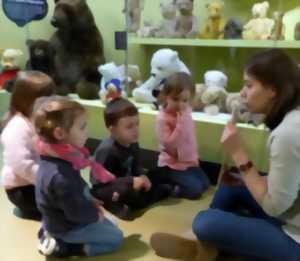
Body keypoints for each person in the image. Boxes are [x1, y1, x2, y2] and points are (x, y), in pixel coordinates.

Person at [150, 49, 300, 261]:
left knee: (204, 221)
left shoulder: (288, 133)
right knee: (231, 184)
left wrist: (238, 153)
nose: (242, 92)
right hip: (291, 211)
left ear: (272, 90)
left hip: (295, 239)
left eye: (249, 85)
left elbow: (274, 207)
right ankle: (209, 245)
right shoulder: (293, 117)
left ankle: (211, 245)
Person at [33, 96, 123, 257]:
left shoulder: (55, 155)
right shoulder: (60, 177)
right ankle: (65, 247)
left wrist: (89, 200)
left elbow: (76, 185)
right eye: (82, 127)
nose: (87, 131)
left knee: (113, 223)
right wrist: (94, 214)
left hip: (56, 216)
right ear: (60, 133)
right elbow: (76, 212)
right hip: (68, 226)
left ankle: (48, 231)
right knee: (116, 238)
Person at [91, 97, 172, 220]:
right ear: (113, 130)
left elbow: (137, 167)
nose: (136, 130)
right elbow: (99, 184)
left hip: (130, 183)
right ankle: (115, 205)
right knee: (131, 194)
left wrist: (141, 176)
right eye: (129, 126)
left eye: (137, 124)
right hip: (112, 188)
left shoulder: (133, 143)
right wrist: (130, 181)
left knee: (159, 172)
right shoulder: (107, 150)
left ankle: (148, 195)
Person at [1, 71, 54, 220]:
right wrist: (47, 181)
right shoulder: (17, 127)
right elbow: (21, 164)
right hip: (22, 189)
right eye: (47, 99)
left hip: (40, 180)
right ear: (27, 100)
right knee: (60, 206)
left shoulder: (37, 118)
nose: (52, 103)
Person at [155, 72, 210, 199]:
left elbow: (189, 135)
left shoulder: (185, 111)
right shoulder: (163, 119)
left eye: (185, 100)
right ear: (166, 96)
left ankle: (179, 181)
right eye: (175, 99)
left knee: (205, 185)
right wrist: (180, 125)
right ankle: (169, 186)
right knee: (195, 191)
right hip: (171, 165)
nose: (180, 104)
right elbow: (169, 144)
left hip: (188, 162)